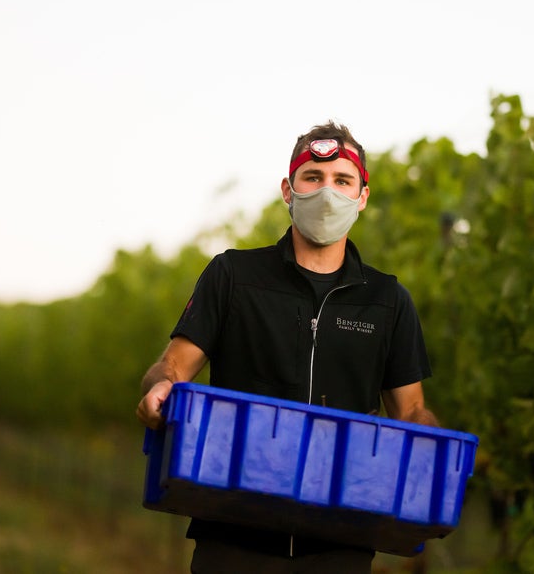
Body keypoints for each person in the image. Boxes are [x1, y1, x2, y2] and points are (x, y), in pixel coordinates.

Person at [136, 121, 438, 574]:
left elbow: (412, 412)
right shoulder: (234, 277)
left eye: (342, 180)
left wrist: (432, 438)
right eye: (312, 178)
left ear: (362, 196)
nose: (327, 192)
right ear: (288, 189)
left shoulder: (388, 301)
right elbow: (173, 366)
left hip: (340, 545)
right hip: (232, 537)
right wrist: (161, 388)